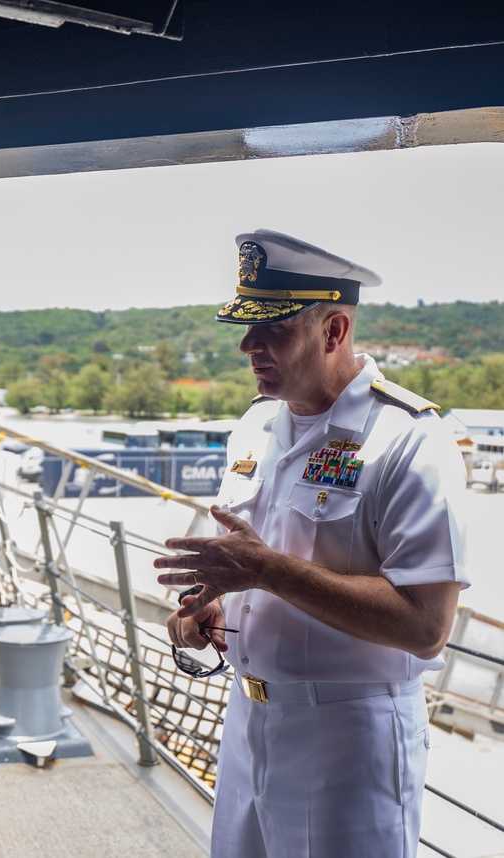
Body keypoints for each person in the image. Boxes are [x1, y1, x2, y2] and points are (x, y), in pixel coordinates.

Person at [154, 229, 468, 858]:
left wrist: (267, 571)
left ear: (334, 330)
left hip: (348, 740)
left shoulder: (408, 441)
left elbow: (426, 627)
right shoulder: (255, 426)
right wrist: (206, 610)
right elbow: (243, 566)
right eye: (246, 328)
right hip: (247, 722)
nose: (248, 346)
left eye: (272, 329)